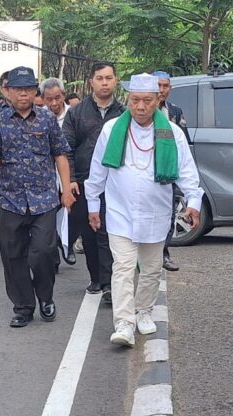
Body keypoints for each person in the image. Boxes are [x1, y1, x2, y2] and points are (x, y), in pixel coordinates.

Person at [85, 73, 203, 347]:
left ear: (157, 100)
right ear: (128, 100)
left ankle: (144, 311)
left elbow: (187, 171)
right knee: (123, 267)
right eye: (135, 100)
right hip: (119, 212)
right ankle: (124, 323)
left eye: (146, 101)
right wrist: (93, 205)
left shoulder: (171, 132)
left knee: (150, 269)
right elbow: (97, 171)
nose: (140, 107)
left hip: (156, 214)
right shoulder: (112, 129)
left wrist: (194, 203)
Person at [0, 66, 75, 328]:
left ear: (36, 92)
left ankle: (45, 296)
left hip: (44, 199)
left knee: (43, 252)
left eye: (28, 89)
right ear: (8, 91)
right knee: (13, 255)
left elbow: (60, 155)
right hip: (10, 200)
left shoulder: (46, 120)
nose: (23, 94)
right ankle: (23, 306)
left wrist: (66, 189)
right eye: (17, 89)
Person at [62, 62, 125, 299]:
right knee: (89, 231)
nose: (105, 82)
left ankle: (110, 282)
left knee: (110, 231)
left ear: (115, 81)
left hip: (116, 183)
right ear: (92, 82)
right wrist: (71, 179)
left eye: (109, 78)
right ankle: (95, 279)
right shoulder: (77, 113)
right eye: (100, 78)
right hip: (85, 181)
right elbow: (66, 149)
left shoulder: (123, 113)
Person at [152, 70, 193, 272]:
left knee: (169, 214)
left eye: (165, 86)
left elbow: (184, 141)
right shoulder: (138, 109)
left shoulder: (175, 112)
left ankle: (163, 251)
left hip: (169, 173)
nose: (161, 90)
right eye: (158, 85)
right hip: (145, 171)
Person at [40, 77, 74, 271]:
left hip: (70, 175)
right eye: (49, 99)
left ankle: (67, 244)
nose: (54, 103)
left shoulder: (74, 115)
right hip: (47, 177)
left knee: (70, 214)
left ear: (63, 96)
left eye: (57, 98)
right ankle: (53, 255)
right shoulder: (39, 117)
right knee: (48, 219)